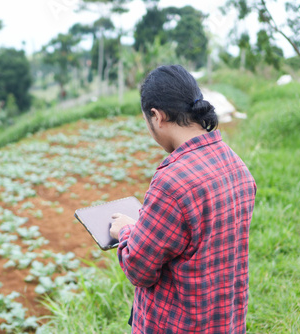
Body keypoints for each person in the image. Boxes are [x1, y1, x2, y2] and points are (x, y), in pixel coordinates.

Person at [110, 65, 257, 334]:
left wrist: (127, 230)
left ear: (157, 116)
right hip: (225, 323)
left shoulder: (172, 181)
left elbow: (139, 268)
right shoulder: (237, 166)